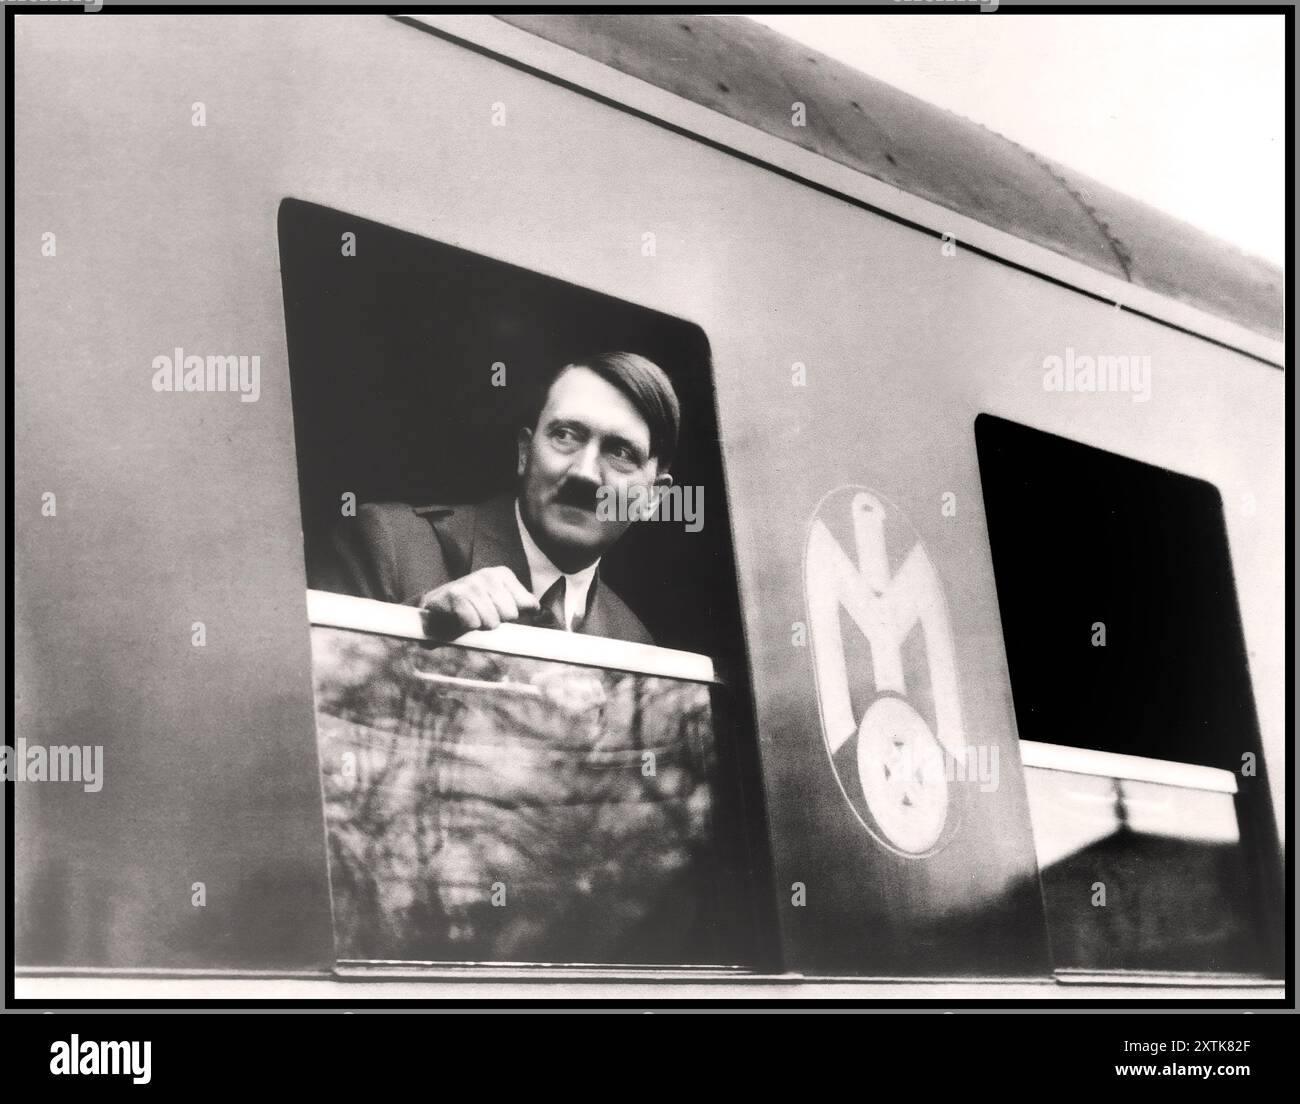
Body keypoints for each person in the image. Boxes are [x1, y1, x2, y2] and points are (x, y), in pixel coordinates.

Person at [322, 351, 679, 645]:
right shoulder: (389, 544)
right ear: (525, 453)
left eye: (620, 453)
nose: (585, 473)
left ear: (652, 499)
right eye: (566, 435)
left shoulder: (634, 641)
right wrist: (420, 626)